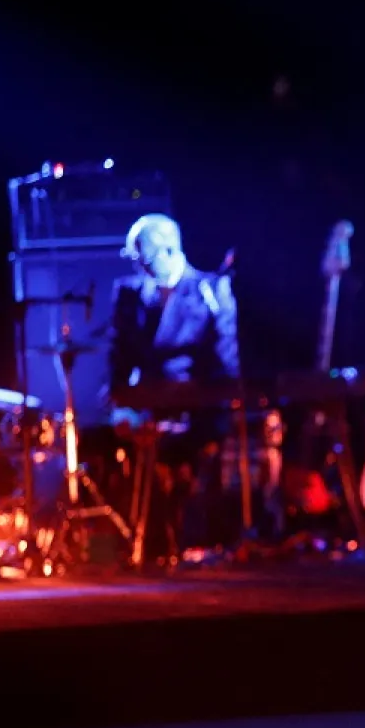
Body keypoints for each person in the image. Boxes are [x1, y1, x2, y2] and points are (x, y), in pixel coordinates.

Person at [104, 213, 240, 560]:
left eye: (143, 258)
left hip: (199, 410)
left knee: (191, 469)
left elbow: (225, 364)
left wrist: (209, 404)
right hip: (146, 408)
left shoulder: (211, 290)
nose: (139, 267)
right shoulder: (128, 293)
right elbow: (117, 357)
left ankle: (196, 538)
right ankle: (147, 545)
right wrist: (122, 403)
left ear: (167, 250)